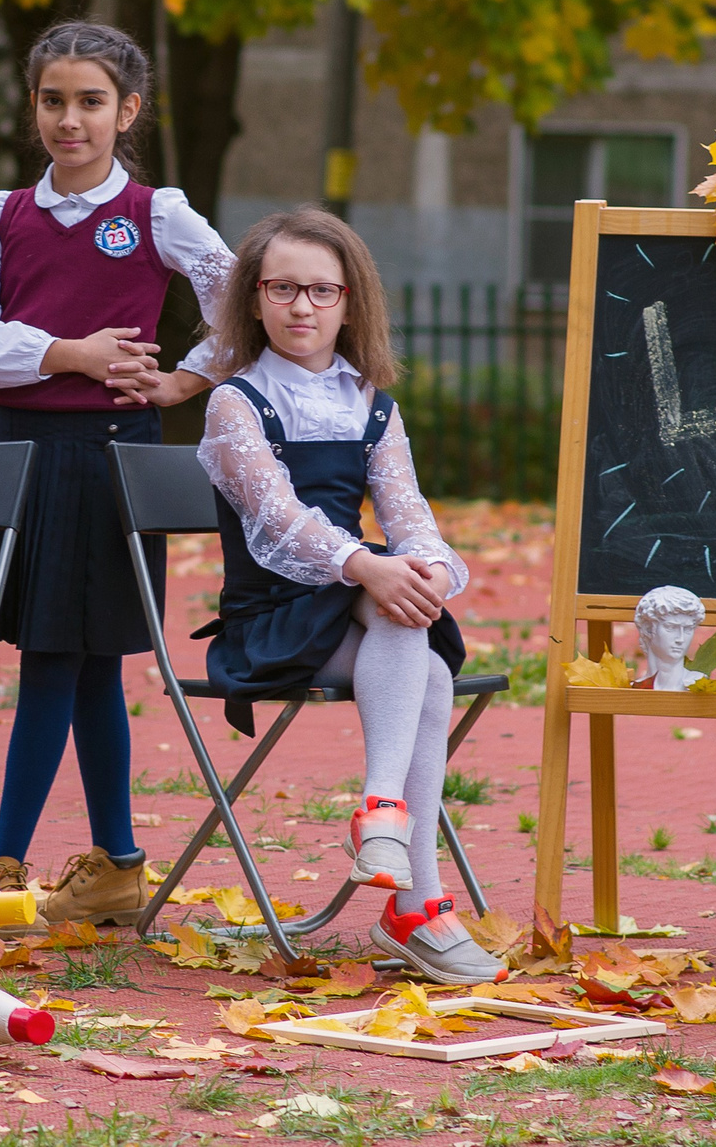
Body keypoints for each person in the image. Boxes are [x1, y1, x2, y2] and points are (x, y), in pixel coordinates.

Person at [0, 21, 233, 924]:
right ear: (34, 108)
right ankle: (119, 866)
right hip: (23, 455)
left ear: (128, 111)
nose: (72, 120)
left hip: (113, 460)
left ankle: (1, 866)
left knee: (69, 658)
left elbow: (237, 300)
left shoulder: (158, 213)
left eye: (92, 103)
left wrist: (184, 377)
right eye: (54, 101)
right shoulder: (1, 215)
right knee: (83, 662)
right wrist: (69, 352)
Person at [195, 209, 502, 984]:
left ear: (349, 301)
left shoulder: (371, 402)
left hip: (362, 606)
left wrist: (425, 563)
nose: (303, 306)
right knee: (407, 627)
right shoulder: (236, 401)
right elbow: (280, 521)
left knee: (418, 634)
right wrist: (370, 569)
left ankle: (385, 826)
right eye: (284, 287)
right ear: (255, 298)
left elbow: (408, 512)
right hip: (272, 617)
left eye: (322, 290)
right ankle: (416, 906)